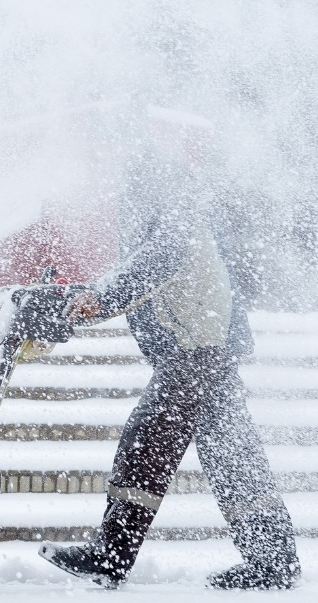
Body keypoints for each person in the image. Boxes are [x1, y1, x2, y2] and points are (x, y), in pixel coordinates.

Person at [37, 151, 301, 590]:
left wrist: (98, 300)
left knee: (145, 445)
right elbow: (140, 273)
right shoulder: (178, 221)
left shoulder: (177, 223)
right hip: (208, 354)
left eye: (130, 194)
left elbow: (148, 269)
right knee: (232, 457)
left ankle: (109, 556)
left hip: (195, 356)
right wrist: (85, 298)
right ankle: (273, 559)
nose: (123, 203)